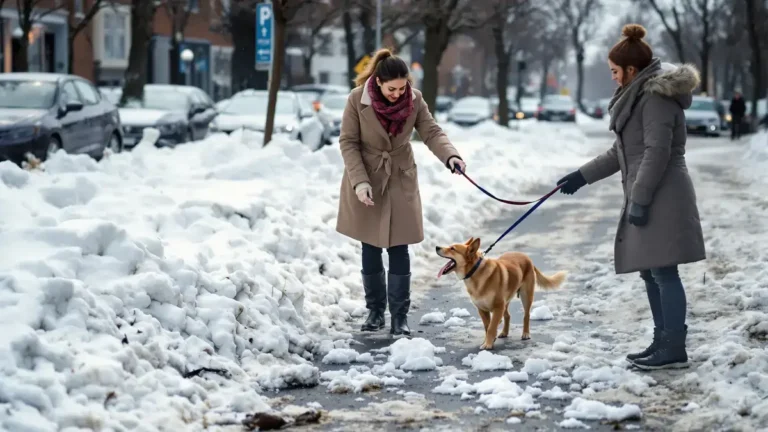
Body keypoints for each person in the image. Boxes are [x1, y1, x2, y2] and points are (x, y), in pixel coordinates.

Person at [556, 24, 706, 370]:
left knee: (665, 271)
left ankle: (673, 347)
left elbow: (657, 153)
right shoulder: (637, 96)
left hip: (663, 193)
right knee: (651, 271)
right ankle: (662, 339)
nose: (612, 78)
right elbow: (620, 152)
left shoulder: (654, 99)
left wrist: (639, 199)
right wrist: (582, 176)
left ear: (632, 71)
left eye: (614, 71)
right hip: (649, 190)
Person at [336, 48, 466, 336]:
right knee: (370, 245)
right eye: (391, 88)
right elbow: (348, 142)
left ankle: (399, 316)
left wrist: (451, 156)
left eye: (402, 87)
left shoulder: (414, 100)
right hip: (367, 176)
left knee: (399, 246)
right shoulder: (357, 100)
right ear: (378, 83)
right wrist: (360, 182)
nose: (398, 93)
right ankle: (374, 312)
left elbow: (431, 131)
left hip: (400, 176)